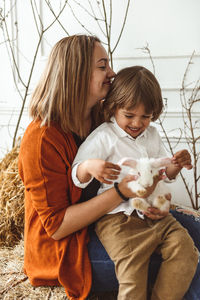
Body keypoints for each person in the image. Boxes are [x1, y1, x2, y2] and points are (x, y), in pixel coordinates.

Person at [18, 35, 200, 300]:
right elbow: (57, 227)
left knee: (192, 238)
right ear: (76, 74)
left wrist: (156, 194)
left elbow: (150, 165)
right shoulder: (41, 138)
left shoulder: (103, 115)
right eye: (102, 66)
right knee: (185, 263)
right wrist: (123, 193)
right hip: (66, 247)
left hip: (116, 216)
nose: (112, 73)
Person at [71, 66, 199, 299]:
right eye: (129, 115)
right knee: (132, 266)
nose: (137, 123)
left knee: (185, 249)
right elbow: (76, 173)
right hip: (117, 219)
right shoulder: (104, 137)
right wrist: (90, 167)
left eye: (146, 117)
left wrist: (177, 164)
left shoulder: (152, 136)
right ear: (113, 107)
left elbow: (164, 171)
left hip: (154, 212)